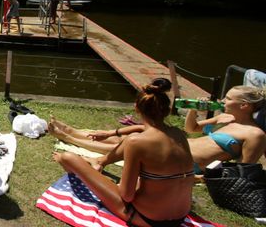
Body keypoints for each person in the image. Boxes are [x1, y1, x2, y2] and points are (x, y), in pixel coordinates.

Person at [52, 78, 194, 226]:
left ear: (137, 108)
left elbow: (126, 196)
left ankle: (70, 161)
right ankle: (100, 161)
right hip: (180, 217)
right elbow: (145, 129)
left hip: (148, 219)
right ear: (166, 110)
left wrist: (119, 184)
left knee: (68, 157)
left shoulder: (136, 142)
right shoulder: (179, 135)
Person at [50, 85, 266, 173]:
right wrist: (196, 109)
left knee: (130, 143)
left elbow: (243, 171)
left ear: (244, 106)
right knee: (133, 136)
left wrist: (202, 177)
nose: (222, 100)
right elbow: (191, 129)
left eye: (227, 98)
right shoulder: (226, 117)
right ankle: (74, 132)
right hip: (181, 145)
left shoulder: (255, 134)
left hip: (188, 162)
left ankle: (70, 136)